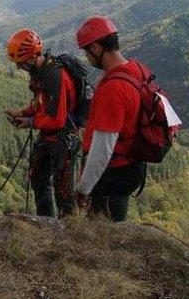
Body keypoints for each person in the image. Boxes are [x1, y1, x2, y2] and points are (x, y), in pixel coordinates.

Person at [73, 16, 148, 222]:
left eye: (87, 52)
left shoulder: (113, 88)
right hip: (132, 165)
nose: (88, 58)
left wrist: (84, 188)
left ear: (97, 48)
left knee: (102, 235)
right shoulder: (136, 69)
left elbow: (102, 149)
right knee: (115, 226)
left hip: (113, 173)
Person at [4, 29, 85, 217]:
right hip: (50, 136)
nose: (18, 68)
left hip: (64, 138)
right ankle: (45, 224)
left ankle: (68, 233)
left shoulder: (55, 76)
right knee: (39, 179)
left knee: (63, 192)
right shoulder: (41, 72)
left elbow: (57, 119)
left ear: (31, 58)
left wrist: (30, 122)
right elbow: (42, 102)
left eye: (20, 63)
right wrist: (22, 112)